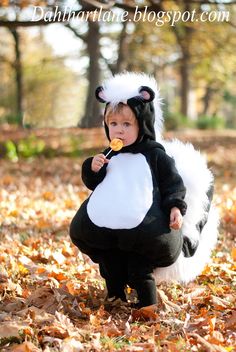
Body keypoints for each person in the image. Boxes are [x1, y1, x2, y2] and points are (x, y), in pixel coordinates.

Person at [70, 82, 188, 308]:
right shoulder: (108, 154)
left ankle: (147, 304)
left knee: (139, 268)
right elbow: (93, 183)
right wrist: (92, 168)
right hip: (107, 225)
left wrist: (175, 207)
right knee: (110, 264)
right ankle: (115, 296)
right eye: (113, 124)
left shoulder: (154, 155)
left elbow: (172, 183)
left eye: (127, 124)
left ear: (142, 125)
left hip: (142, 228)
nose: (119, 130)